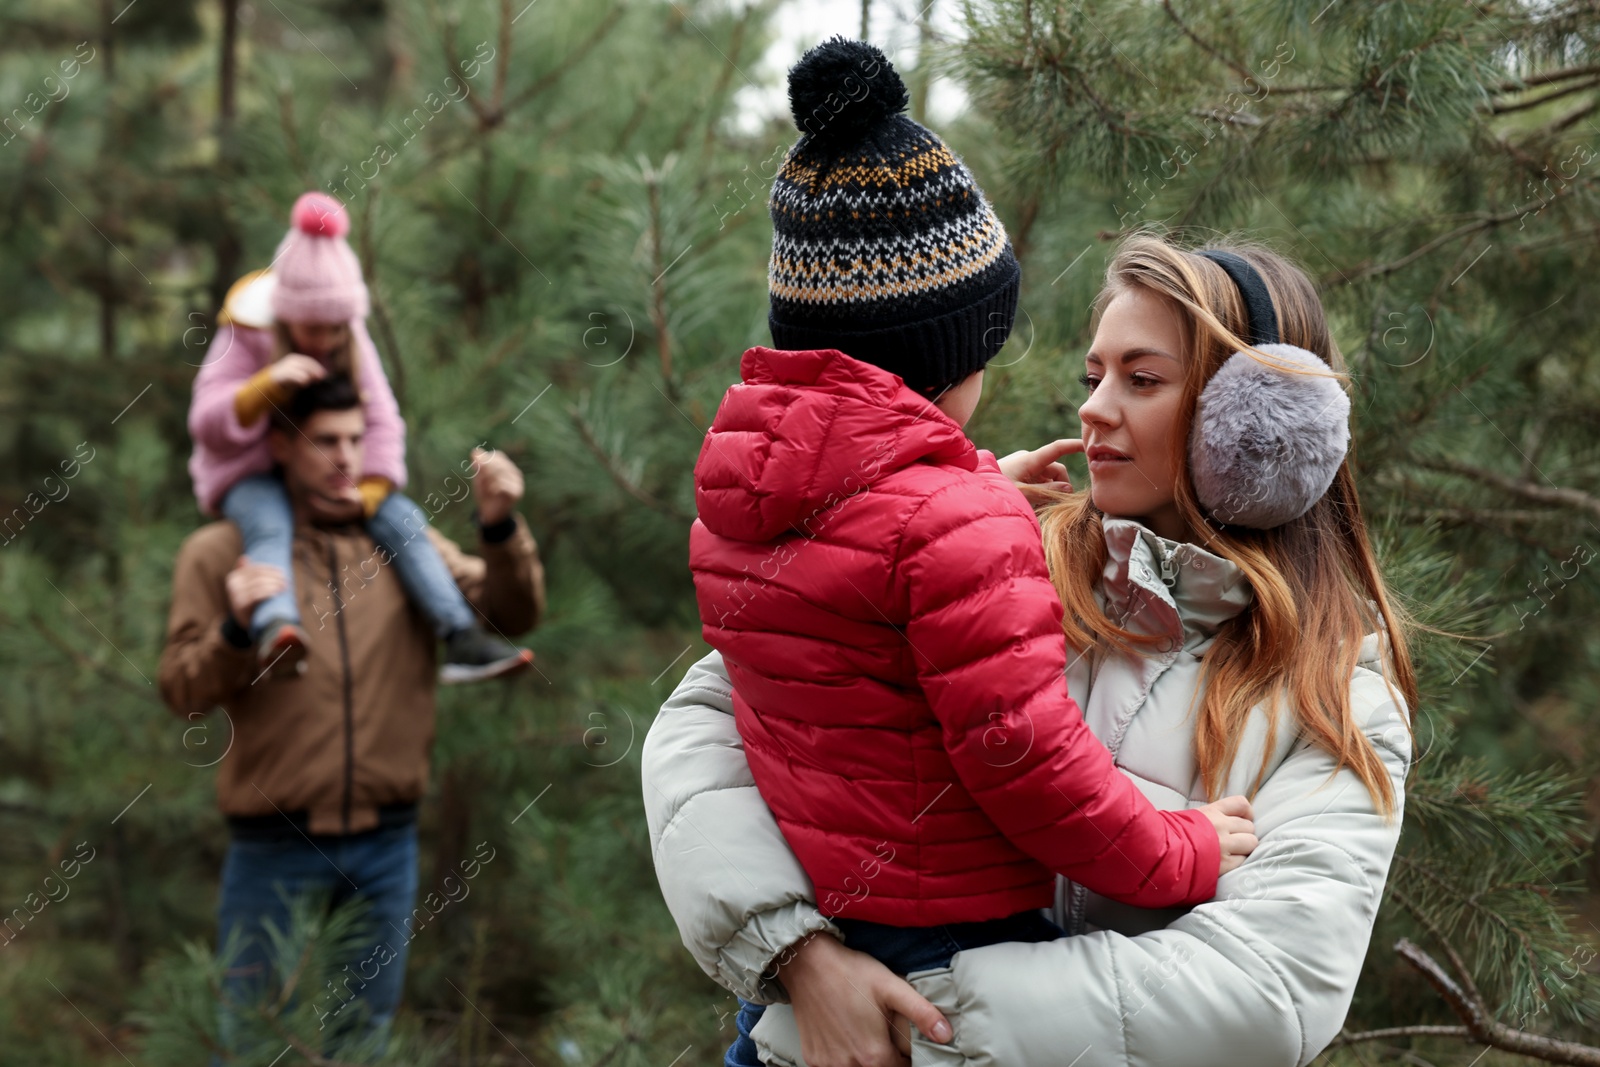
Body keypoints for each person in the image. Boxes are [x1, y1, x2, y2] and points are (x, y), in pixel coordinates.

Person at [643, 233, 1417, 1067]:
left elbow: (1266, 989)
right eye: (1094, 377)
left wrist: (907, 1023)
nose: (1094, 407)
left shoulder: (1334, 701)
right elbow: (705, 724)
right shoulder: (984, 562)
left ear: (1259, 427)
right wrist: (805, 960)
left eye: (1142, 378)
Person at [681, 42, 1255, 1067]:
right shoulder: (953, 527)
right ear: (951, 353)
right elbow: (1027, 762)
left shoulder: (737, 502)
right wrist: (1184, 847)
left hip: (819, 923)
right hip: (952, 942)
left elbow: (850, 597)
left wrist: (973, 492)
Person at [159, 375, 546, 1056]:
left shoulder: (404, 545)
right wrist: (234, 631)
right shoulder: (221, 553)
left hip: (386, 847)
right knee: (250, 1040)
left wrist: (499, 525)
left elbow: (508, 613)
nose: (345, 456)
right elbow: (181, 689)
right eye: (325, 441)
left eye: (356, 440)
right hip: (270, 845)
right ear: (279, 444)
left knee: (360, 1044)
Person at [188, 190, 530, 683]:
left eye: (335, 329)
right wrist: (262, 388)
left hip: (335, 483)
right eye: (313, 328)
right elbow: (205, 422)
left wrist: (370, 488)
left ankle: (459, 636)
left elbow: (383, 419)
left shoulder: (350, 334)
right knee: (268, 524)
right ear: (287, 313)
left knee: (404, 519)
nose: (325, 341)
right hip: (249, 472)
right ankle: (276, 627)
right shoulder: (248, 330)